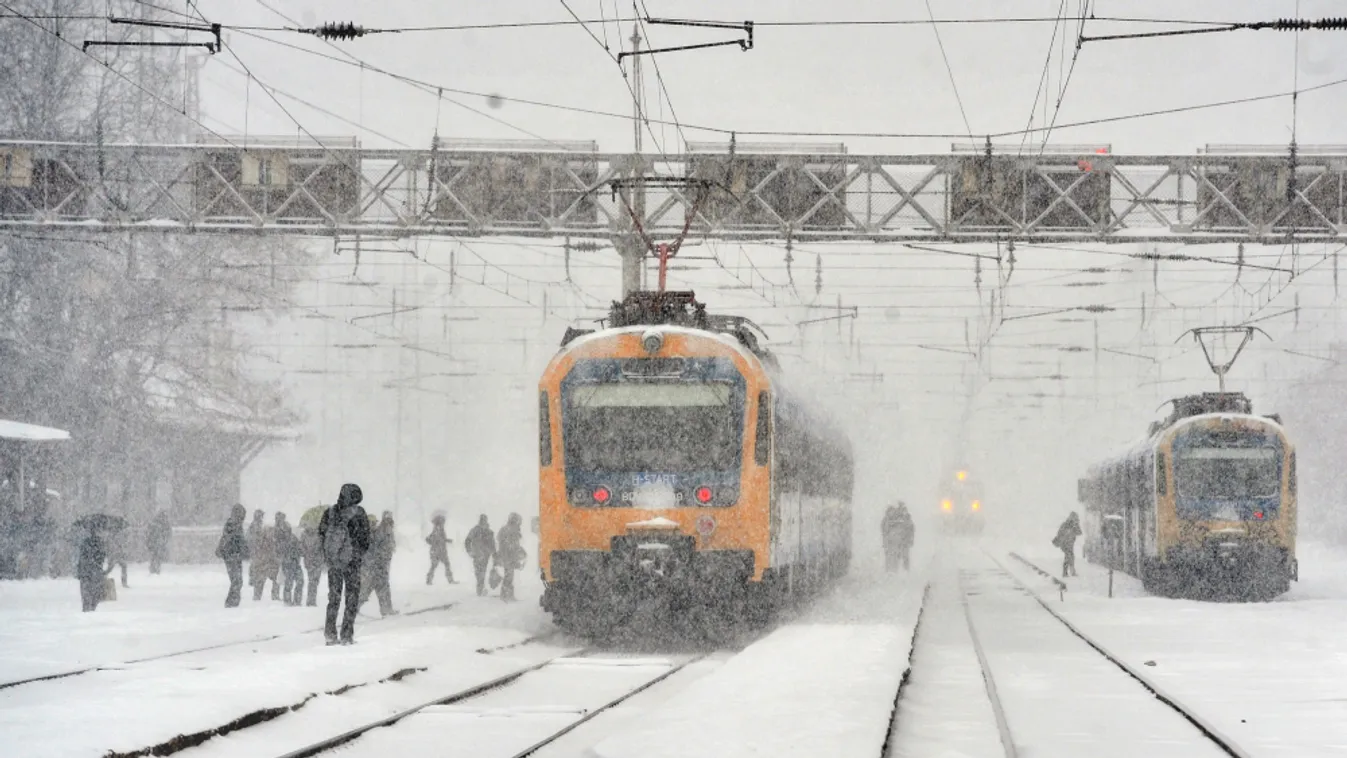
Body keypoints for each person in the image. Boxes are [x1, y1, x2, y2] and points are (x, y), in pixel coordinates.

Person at [318, 484, 371, 645]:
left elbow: (321, 534)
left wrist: (331, 554)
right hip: (352, 562)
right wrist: (357, 552)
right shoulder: (359, 513)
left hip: (334, 563)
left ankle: (330, 633)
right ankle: (346, 634)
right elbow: (365, 539)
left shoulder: (330, 512)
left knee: (333, 598)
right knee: (352, 598)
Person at [361, 511, 397, 616]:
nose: (373, 524)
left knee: (381, 588)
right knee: (376, 588)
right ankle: (386, 610)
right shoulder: (376, 532)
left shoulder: (384, 530)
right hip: (375, 566)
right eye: (371, 523)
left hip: (379, 566)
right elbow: (372, 550)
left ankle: (387, 610)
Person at [215, 505, 249, 608]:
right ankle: (231, 603)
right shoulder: (232, 524)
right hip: (232, 555)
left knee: (237, 580)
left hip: (234, 555)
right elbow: (232, 540)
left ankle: (233, 602)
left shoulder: (235, 524)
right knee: (237, 580)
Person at [76, 524, 110, 612]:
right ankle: (92, 607)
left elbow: (81, 557)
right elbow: (102, 557)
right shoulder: (100, 543)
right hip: (95, 571)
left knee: (86, 593)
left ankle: (86, 608)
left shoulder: (85, 542)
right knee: (95, 593)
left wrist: (79, 571)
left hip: (85, 572)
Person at [248, 509, 279, 601]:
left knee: (266, 578)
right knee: (261, 579)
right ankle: (266, 596)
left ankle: (260, 596)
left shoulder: (256, 526)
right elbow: (256, 542)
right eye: (261, 516)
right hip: (262, 558)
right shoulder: (255, 527)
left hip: (263, 558)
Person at [495, 513, 526, 602]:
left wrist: (520, 550)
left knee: (509, 576)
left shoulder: (509, 529)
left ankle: (508, 595)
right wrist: (515, 549)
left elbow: (514, 544)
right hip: (507, 556)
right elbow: (506, 544)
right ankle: (505, 595)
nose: (519, 523)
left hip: (509, 556)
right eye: (518, 521)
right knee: (508, 576)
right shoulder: (508, 530)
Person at [275, 512, 303, 606]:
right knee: (289, 582)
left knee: (300, 581)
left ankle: (297, 601)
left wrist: (299, 551)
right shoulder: (281, 539)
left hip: (295, 562)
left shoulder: (293, 538)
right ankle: (287, 601)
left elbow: (299, 548)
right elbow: (279, 550)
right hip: (287, 563)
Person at [464, 514, 496, 597]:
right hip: (477, 554)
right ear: (480, 520)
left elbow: (492, 544)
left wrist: (494, 554)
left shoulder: (489, 531)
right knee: (479, 572)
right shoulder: (475, 530)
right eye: (482, 520)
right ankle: (480, 589)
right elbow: (467, 541)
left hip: (485, 555)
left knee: (482, 572)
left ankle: (480, 589)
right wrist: (469, 551)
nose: (483, 521)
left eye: (484, 520)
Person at [881, 502, 915, 572]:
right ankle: (892, 571)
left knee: (901, 557)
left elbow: (911, 529)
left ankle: (903, 571)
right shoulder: (891, 518)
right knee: (893, 557)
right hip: (894, 542)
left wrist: (910, 539)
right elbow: (884, 530)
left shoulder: (905, 518)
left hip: (902, 541)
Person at [425, 514, 455, 585]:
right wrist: (444, 541)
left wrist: (447, 540)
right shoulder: (438, 529)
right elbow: (437, 539)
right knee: (442, 565)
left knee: (435, 565)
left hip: (438, 551)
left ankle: (429, 580)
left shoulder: (438, 529)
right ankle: (450, 580)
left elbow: (438, 539)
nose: (444, 523)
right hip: (439, 551)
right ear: (440, 522)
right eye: (443, 521)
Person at [300, 521, 324, 607]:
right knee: (313, 581)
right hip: (315, 561)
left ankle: (311, 600)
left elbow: (301, 547)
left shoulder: (305, 534)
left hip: (312, 560)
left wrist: (306, 553)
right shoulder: (320, 534)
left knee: (313, 581)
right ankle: (311, 601)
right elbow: (302, 547)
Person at [1053, 511, 1082, 579]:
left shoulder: (1075, 525)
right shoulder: (1065, 524)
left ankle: (1069, 571)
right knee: (1068, 556)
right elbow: (1060, 533)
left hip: (1070, 543)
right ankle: (1067, 572)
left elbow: (1079, 533)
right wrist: (1065, 535)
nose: (1075, 519)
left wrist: (1076, 526)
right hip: (1065, 543)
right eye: (1074, 517)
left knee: (1070, 556)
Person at [106, 522, 129, 589]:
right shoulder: (110, 536)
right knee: (109, 569)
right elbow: (109, 546)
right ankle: (103, 579)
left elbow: (121, 545)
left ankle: (124, 582)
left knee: (123, 566)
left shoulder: (118, 535)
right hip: (113, 555)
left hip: (117, 555)